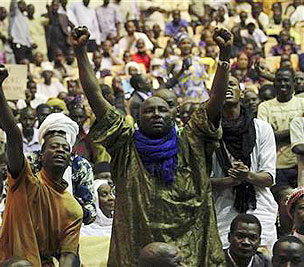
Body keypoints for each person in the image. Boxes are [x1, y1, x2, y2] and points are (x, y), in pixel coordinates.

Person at [72, 25, 232, 266]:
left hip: (189, 249)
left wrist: (224, 56)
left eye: (162, 109)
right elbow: (96, 97)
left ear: (173, 115)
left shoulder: (191, 141)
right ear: (137, 117)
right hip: (139, 247)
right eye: (149, 110)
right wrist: (81, 52)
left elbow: (216, 101)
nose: (156, 114)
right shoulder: (126, 145)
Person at [0, 65, 83, 266]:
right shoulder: (25, 181)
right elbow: (13, 135)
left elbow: (68, 255)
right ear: (41, 155)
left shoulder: (72, 207)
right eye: (54, 147)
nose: (60, 151)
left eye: (65, 149)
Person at [211, 75, 278, 252]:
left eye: (232, 84)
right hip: (224, 210)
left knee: (262, 258)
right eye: (221, 86)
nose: (227, 88)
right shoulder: (208, 133)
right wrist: (229, 181)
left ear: (241, 93)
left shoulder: (262, 128)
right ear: (214, 96)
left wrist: (247, 175)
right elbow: (200, 182)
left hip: (259, 205)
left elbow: (269, 178)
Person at [258, 68, 304, 190]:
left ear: (293, 82)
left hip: (298, 165)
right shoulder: (264, 107)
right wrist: (296, 132)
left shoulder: (302, 103)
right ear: (274, 83)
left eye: (286, 80)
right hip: (274, 166)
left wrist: (276, 134)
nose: (283, 84)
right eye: (279, 80)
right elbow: (265, 138)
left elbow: (273, 136)